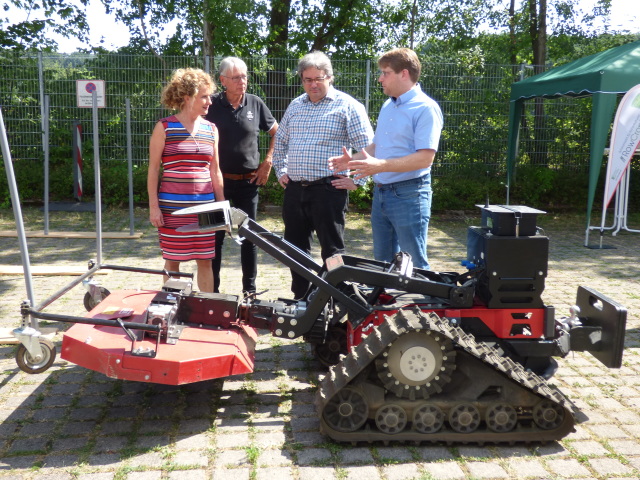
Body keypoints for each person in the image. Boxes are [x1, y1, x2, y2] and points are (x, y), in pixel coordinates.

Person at [329, 48, 443, 270]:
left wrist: (379, 165)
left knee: (415, 264)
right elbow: (377, 146)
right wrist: (351, 160)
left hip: (410, 194)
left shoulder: (426, 108)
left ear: (404, 74)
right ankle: (387, 304)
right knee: (382, 265)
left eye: (385, 72)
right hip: (382, 193)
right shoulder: (388, 105)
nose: (380, 78)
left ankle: (423, 305)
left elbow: (425, 159)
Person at [272, 51, 374, 299]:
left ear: (330, 78)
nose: (313, 84)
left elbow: (368, 147)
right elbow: (280, 141)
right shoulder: (296, 105)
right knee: (295, 249)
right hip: (295, 189)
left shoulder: (348, 106)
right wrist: (281, 170)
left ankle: (337, 299)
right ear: (302, 80)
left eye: (318, 78)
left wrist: (358, 180)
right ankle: (301, 299)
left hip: (328, 189)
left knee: (333, 251)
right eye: (307, 79)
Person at [147, 68, 224, 293]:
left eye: (209, 96)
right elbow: (153, 170)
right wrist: (154, 207)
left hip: (206, 209)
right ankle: (174, 308)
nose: (209, 101)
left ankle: (208, 307)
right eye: (204, 96)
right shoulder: (165, 127)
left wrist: (222, 207)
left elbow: (215, 171)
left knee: (206, 260)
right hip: (172, 210)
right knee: (173, 261)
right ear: (187, 97)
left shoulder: (212, 129)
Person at [205, 57, 278, 296]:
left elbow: (279, 133)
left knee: (250, 238)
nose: (242, 82)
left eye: (245, 76)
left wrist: (268, 162)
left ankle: (250, 291)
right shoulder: (211, 105)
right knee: (215, 239)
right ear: (223, 80)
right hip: (217, 185)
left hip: (249, 183)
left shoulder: (255, 104)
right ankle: (212, 292)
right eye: (236, 78)